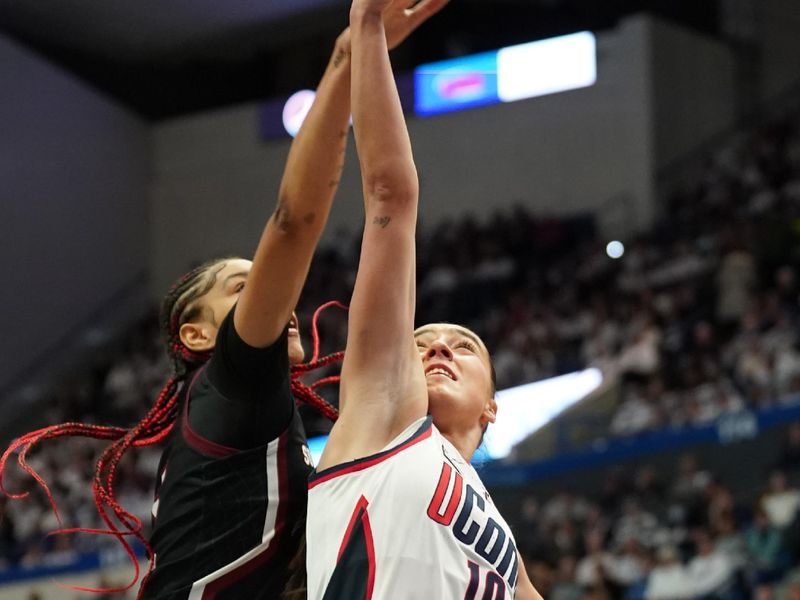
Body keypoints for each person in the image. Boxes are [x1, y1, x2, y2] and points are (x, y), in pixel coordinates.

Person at [0, 4, 447, 598]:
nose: (276, 295)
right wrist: (344, 60)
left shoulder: (246, 423)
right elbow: (293, 223)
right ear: (198, 335)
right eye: (243, 286)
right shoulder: (232, 385)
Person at [305, 1, 541, 598]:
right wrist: (367, 29)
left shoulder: (504, 548)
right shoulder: (386, 416)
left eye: (463, 346)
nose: (437, 347)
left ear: (492, 406)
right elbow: (390, 193)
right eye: (420, 344)